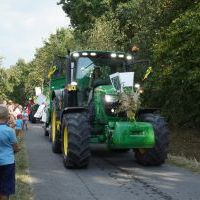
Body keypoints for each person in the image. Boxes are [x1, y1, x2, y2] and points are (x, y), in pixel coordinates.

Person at [0, 106, 20, 200]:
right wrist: (16, 151)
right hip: (8, 163)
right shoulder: (10, 131)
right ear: (8, 118)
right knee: (5, 189)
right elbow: (15, 147)